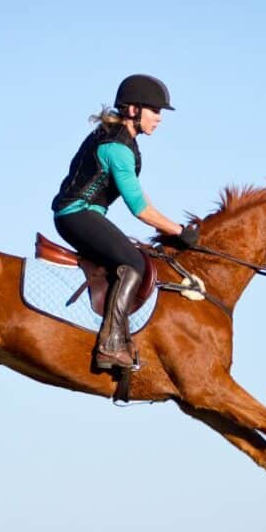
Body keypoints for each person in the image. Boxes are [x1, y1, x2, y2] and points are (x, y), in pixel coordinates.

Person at [51, 74, 199, 370]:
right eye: (155, 111)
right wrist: (179, 231)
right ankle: (111, 343)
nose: (159, 118)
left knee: (136, 255)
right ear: (133, 110)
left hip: (83, 214)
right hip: (77, 214)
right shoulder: (117, 148)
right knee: (134, 263)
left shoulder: (121, 139)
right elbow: (140, 209)